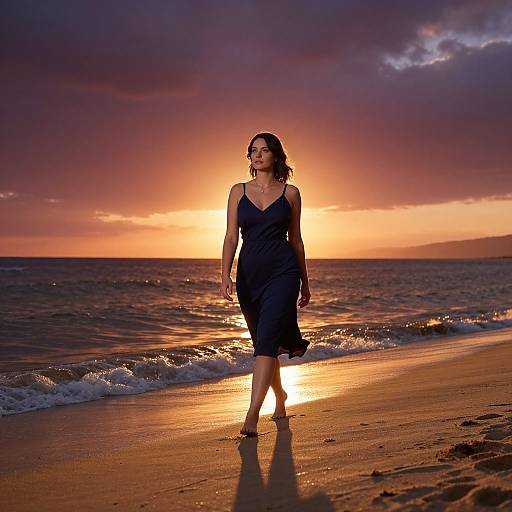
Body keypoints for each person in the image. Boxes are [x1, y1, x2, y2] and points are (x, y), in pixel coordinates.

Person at [220, 132, 311, 437]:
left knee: (268, 338)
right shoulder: (237, 191)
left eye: (264, 150)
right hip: (249, 276)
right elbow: (231, 236)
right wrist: (224, 275)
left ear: (276, 156)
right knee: (264, 343)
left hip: (283, 272)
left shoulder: (291, 194)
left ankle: (251, 416)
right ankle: (280, 396)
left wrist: (305, 283)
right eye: (253, 151)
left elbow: (296, 240)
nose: (257, 155)